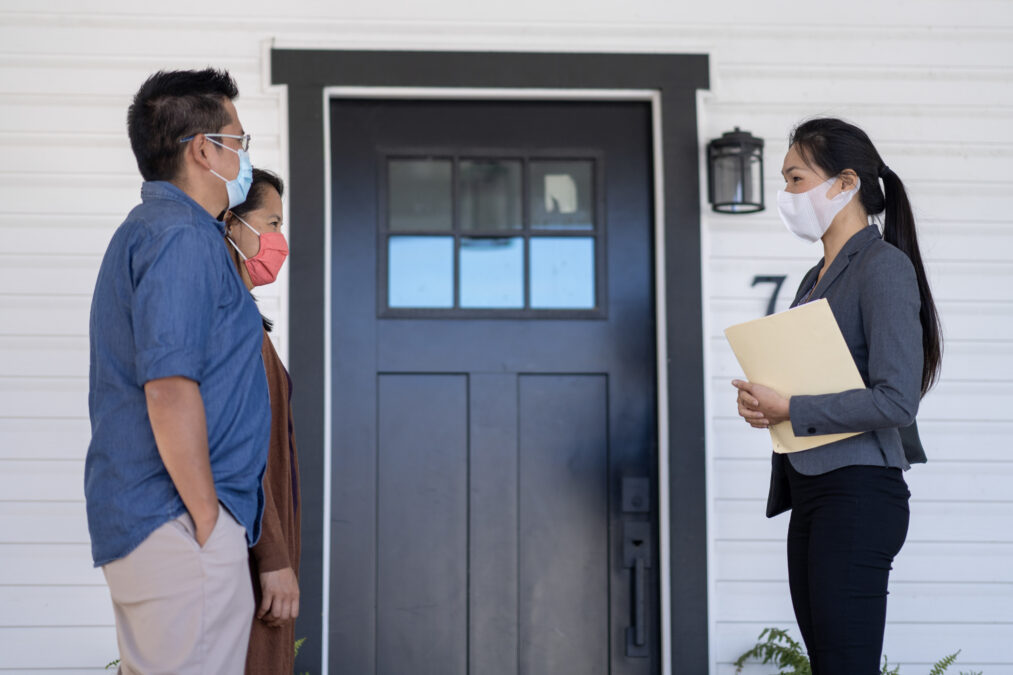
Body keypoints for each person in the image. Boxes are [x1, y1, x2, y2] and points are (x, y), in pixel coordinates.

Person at [731, 118, 942, 674]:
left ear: (845, 182)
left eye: (796, 179)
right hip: (814, 491)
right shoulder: (814, 278)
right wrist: (765, 405)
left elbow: (897, 401)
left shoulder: (882, 267)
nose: (787, 195)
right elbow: (811, 380)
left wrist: (792, 409)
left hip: (858, 496)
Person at [85, 68, 269, 675]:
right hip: (180, 522)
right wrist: (207, 518)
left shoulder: (153, 232)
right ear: (202, 149)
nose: (244, 157)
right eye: (238, 142)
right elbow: (167, 388)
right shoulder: (181, 238)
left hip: (164, 521)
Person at [221, 169, 302, 674]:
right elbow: (239, 444)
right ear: (231, 222)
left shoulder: (243, 314)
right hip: (245, 557)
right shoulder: (230, 316)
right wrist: (272, 557)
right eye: (270, 221)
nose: (278, 239)